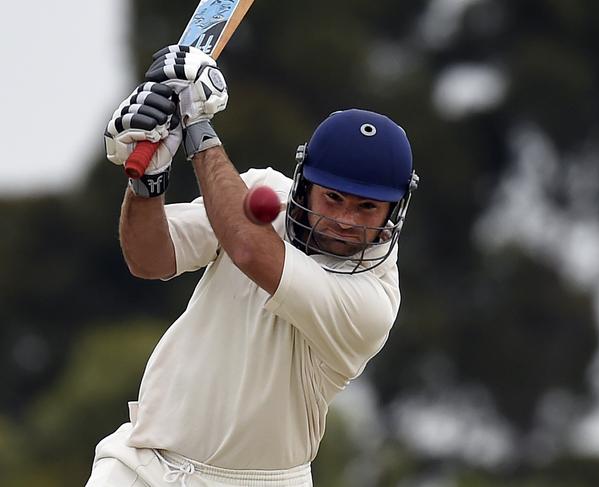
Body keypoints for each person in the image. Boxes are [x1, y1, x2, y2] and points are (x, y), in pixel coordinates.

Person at [88, 45, 418, 487]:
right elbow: (150, 259)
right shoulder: (261, 190)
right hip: (143, 466)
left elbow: (248, 250)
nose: (343, 220)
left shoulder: (371, 302)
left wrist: (197, 124)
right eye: (333, 198)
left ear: (393, 213)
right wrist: (148, 183)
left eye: (366, 207)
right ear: (304, 183)